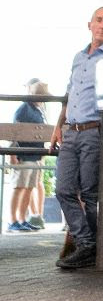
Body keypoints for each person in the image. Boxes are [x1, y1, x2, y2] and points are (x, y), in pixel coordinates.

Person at [50, 6, 103, 269]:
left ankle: (92, 248)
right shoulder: (78, 57)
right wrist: (57, 126)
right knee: (62, 189)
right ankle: (87, 243)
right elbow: (70, 93)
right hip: (71, 132)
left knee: (91, 192)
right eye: (99, 21)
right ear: (90, 25)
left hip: (95, 131)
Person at [7, 79, 50, 232]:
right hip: (23, 155)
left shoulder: (39, 110)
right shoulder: (23, 109)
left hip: (35, 155)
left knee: (28, 188)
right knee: (19, 187)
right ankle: (12, 221)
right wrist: (12, 153)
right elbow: (14, 130)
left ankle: (22, 218)